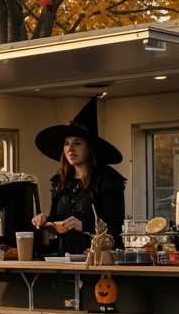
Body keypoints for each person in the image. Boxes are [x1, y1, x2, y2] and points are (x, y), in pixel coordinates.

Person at [31, 94, 127, 255]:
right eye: (66, 144)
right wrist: (45, 219)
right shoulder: (61, 180)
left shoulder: (107, 179)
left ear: (90, 148)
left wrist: (85, 225)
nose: (70, 149)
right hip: (65, 256)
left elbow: (117, 225)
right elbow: (57, 218)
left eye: (77, 143)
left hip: (99, 257)